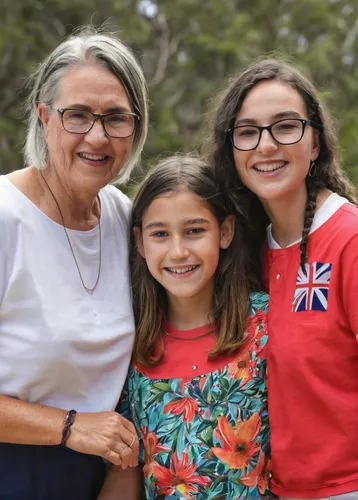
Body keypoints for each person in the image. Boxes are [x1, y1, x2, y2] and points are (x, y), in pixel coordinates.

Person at [0, 26, 148, 499]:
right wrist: (68, 427)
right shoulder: (6, 217)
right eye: (77, 116)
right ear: (45, 118)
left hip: (98, 476)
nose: (98, 136)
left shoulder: (126, 218)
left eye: (116, 118)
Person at [206, 57, 358, 499]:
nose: (266, 145)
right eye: (248, 131)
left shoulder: (348, 239)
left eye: (286, 126)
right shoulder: (245, 249)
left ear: (316, 144)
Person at [99, 155, 271, 499]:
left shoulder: (266, 326)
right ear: (139, 242)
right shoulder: (130, 349)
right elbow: (126, 473)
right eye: (160, 234)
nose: (178, 251)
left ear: (225, 231)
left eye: (194, 231)